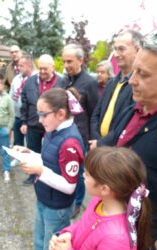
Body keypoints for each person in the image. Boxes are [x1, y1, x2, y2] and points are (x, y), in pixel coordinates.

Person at [89, 31, 157, 250]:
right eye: (133, 72)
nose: (132, 81)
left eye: (143, 74)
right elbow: (110, 146)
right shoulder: (132, 110)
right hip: (114, 231)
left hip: (147, 244)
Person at [49, 146, 151, 250]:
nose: (83, 175)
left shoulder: (117, 238)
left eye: (88, 174)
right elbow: (85, 225)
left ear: (105, 189)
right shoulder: (99, 201)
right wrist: (69, 234)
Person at [16, 87, 84, 250]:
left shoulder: (70, 142)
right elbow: (49, 160)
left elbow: (70, 185)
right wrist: (31, 153)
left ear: (61, 114)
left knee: (52, 246)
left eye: (43, 114)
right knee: (39, 239)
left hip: (58, 206)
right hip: (44, 198)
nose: (39, 120)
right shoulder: (53, 131)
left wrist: (40, 171)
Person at [61, 43, 99, 218]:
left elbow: (94, 112)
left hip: (81, 137)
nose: (66, 65)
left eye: (69, 61)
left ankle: (77, 203)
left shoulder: (90, 82)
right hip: (63, 133)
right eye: (64, 61)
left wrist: (92, 139)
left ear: (81, 60)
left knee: (78, 171)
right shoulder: (64, 80)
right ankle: (66, 196)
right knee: (65, 168)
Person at [90, 30, 143, 144]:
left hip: (117, 152)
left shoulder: (139, 86)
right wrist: (97, 139)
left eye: (121, 49)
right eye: (115, 49)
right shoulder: (111, 83)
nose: (116, 54)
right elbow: (96, 114)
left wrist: (101, 143)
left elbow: (129, 122)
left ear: (138, 50)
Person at [20, 54, 62, 185]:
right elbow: (24, 102)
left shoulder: (61, 82)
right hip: (33, 123)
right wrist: (24, 122)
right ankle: (33, 176)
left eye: (45, 68)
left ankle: (49, 175)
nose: (42, 71)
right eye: (40, 68)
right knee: (32, 150)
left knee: (51, 152)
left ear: (53, 67)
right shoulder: (31, 81)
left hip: (53, 125)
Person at [9, 54, 34, 167]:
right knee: (17, 138)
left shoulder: (35, 78)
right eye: (18, 65)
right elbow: (11, 95)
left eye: (21, 65)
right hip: (17, 115)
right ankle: (17, 158)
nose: (18, 68)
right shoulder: (16, 78)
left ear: (29, 66)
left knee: (31, 141)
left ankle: (30, 160)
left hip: (30, 117)